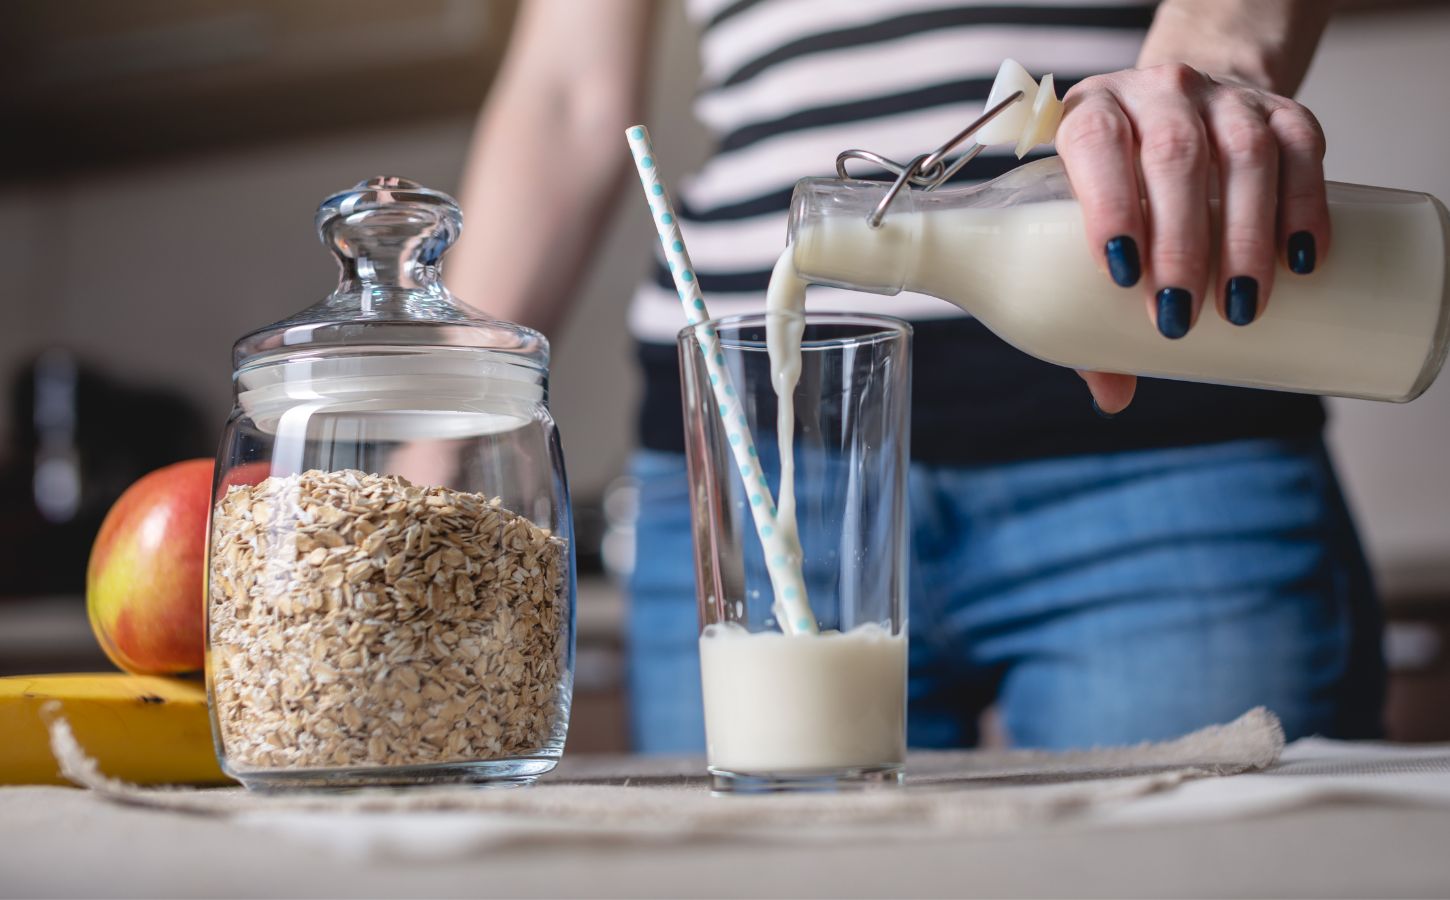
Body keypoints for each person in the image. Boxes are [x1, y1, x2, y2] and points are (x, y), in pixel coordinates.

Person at [451, 0, 1384, 751]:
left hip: (1155, 414)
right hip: (753, 471)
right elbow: (568, 94)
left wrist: (1218, 53)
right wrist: (431, 451)